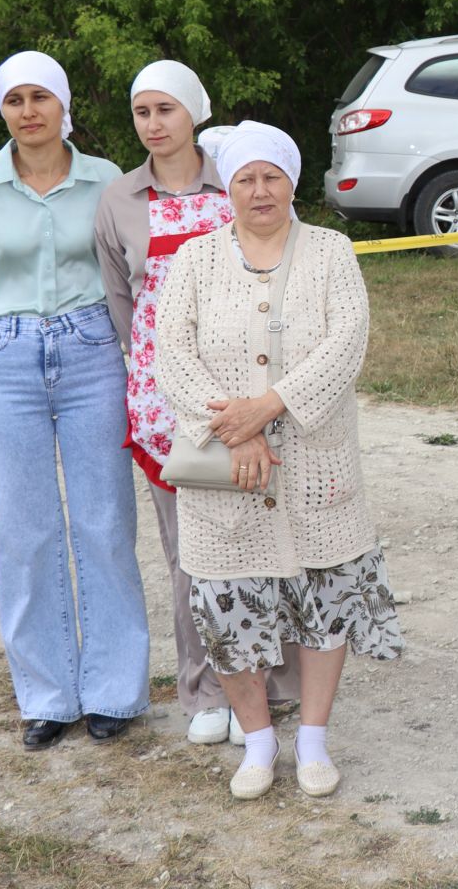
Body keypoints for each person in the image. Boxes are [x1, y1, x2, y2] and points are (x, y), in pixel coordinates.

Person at [155, 121, 399, 800]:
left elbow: (347, 343)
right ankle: (258, 743)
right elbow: (171, 353)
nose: (260, 190)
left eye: (273, 176)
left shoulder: (331, 251)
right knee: (229, 605)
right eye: (245, 179)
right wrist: (236, 430)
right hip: (228, 471)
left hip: (317, 466)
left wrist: (267, 408)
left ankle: (314, 740)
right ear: (226, 187)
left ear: (292, 180)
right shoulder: (196, 260)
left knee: (325, 599)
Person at [0, 50, 151, 751]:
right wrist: (8, 335)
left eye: (41, 97)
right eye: (14, 100)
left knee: (103, 520)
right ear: (2, 110)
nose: (28, 111)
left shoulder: (106, 183)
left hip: (93, 354)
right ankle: (47, 694)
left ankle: (115, 689)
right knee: (24, 529)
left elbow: (124, 268)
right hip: (8, 363)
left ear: (64, 106)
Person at [93, 62, 301, 749]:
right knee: (192, 552)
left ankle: (267, 688)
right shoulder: (119, 200)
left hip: (255, 394)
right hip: (169, 403)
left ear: (194, 114)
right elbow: (126, 307)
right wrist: (172, 382)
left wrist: (257, 402)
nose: (154, 124)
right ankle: (204, 687)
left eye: (166, 109)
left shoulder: (241, 176)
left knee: (264, 541)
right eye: (142, 112)